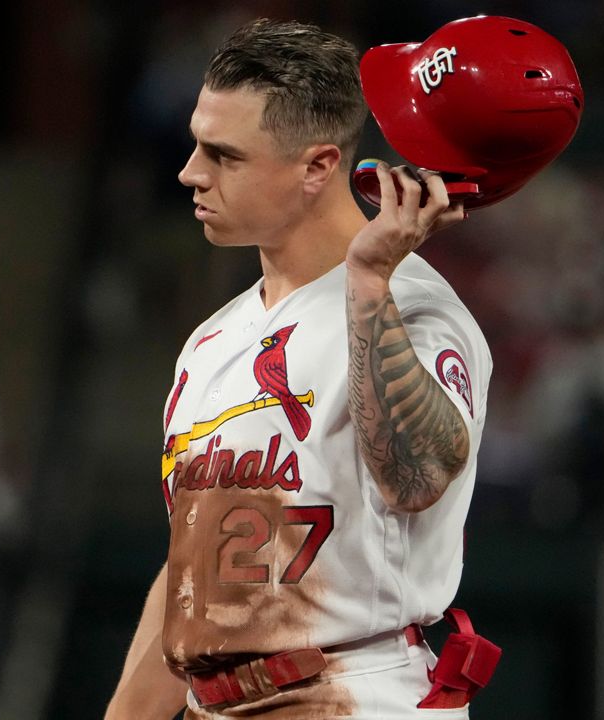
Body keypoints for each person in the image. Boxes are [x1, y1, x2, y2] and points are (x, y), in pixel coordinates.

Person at [106, 18, 492, 720]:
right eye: (197, 144)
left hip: (357, 692)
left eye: (223, 155)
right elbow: (191, 575)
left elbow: (418, 479)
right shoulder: (210, 341)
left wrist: (370, 279)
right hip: (212, 703)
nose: (191, 171)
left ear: (317, 166)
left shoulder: (414, 306)